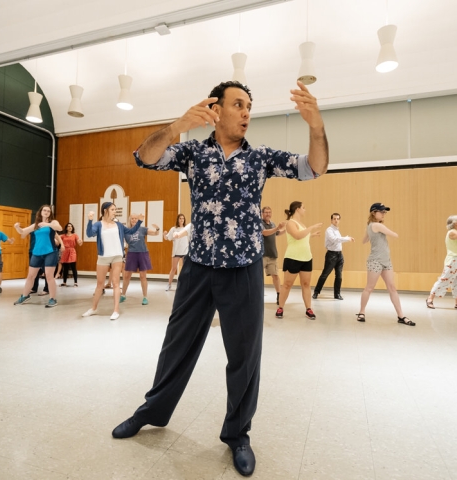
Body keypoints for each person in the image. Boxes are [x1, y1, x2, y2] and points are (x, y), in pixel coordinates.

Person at [110, 80, 328, 477]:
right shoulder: (192, 153)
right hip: (198, 266)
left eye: (250, 106)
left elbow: (314, 168)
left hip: (243, 269)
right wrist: (178, 125)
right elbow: (145, 156)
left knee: (244, 358)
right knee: (176, 347)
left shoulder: (260, 157)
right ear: (217, 109)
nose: (246, 113)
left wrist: (315, 126)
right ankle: (153, 412)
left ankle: (238, 434)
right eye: (239, 105)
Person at [82, 203, 143, 320]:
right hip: (103, 256)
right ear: (105, 210)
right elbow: (89, 234)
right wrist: (90, 220)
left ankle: (116, 310)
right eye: (113, 209)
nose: (115, 211)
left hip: (117, 256)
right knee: (100, 284)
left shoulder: (118, 225)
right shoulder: (98, 224)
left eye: (115, 209)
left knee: (116, 283)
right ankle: (93, 308)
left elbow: (131, 231)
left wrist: (139, 221)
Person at [357, 203, 414, 326]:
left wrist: (371, 234)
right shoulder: (377, 225)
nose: (384, 214)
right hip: (375, 260)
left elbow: (364, 241)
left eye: (384, 212)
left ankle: (401, 315)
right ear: (374, 213)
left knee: (392, 288)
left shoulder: (370, 226)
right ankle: (361, 312)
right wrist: (380, 231)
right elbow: (395, 235)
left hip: (386, 261)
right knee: (369, 287)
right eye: (382, 212)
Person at [275, 201, 322, 320]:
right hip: (293, 257)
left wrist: (312, 235)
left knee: (306, 284)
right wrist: (311, 227)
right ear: (297, 209)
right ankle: (280, 307)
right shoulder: (290, 223)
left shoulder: (301, 224)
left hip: (306, 257)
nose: (305, 210)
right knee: (287, 284)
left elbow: (303, 238)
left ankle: (308, 309)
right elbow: (297, 236)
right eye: (303, 208)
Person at [13, 205, 62, 307]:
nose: (46, 212)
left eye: (48, 211)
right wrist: (17, 227)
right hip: (36, 253)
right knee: (30, 276)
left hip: (50, 252)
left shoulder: (52, 222)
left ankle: (52, 299)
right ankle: (25, 296)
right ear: (40, 212)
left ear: (50, 213)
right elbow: (23, 232)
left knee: (49, 276)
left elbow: (59, 228)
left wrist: (46, 224)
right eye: (44, 210)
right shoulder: (36, 225)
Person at [312, 212, 354, 300]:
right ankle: (316, 292)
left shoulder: (337, 230)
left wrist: (346, 237)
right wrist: (347, 239)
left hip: (339, 255)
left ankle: (337, 294)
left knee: (339, 276)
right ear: (331, 220)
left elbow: (339, 239)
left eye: (338, 219)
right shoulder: (329, 230)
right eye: (334, 219)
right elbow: (335, 240)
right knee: (325, 274)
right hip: (331, 255)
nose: (336, 220)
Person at [121, 217, 159, 305]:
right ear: (129, 220)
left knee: (143, 276)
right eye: (132, 219)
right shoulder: (126, 230)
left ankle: (145, 297)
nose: (134, 220)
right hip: (131, 253)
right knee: (127, 276)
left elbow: (155, 233)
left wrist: (157, 228)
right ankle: (123, 295)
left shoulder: (142, 229)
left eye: (135, 219)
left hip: (142, 253)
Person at [261, 206, 286, 305]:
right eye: (266, 212)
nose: (268, 214)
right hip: (262, 255)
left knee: (275, 275)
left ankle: (279, 295)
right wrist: (277, 228)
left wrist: (286, 229)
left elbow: (277, 233)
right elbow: (265, 233)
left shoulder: (273, 223)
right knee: (259, 276)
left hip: (272, 255)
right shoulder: (259, 223)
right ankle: (257, 295)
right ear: (262, 214)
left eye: (269, 212)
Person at [163, 214, 189, 291]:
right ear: (178, 219)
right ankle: (169, 284)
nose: (181, 220)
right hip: (176, 252)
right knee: (173, 268)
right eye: (180, 218)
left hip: (185, 251)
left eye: (183, 219)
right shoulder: (174, 229)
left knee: (185, 269)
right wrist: (164, 234)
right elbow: (167, 238)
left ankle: (185, 285)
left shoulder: (186, 229)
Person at [59, 223, 82, 287]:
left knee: (73, 267)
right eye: (68, 226)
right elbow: (57, 238)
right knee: (65, 268)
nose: (70, 227)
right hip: (65, 251)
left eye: (71, 226)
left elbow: (79, 243)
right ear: (66, 228)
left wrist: (80, 241)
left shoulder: (75, 235)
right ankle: (64, 282)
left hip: (72, 251)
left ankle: (75, 282)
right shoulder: (63, 235)